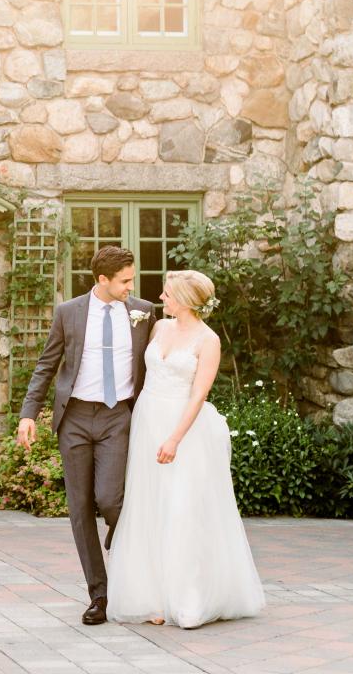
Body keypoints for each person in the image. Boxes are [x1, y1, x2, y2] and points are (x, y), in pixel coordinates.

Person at [106, 269, 265, 629]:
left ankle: (189, 597)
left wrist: (175, 438)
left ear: (187, 300)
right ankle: (152, 598)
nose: (161, 299)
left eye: (167, 294)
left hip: (184, 428)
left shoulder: (208, 340)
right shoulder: (159, 328)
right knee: (149, 506)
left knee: (183, 509)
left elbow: (199, 393)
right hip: (148, 419)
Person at [17, 246, 156, 626]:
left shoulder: (143, 312)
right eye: (125, 280)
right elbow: (46, 365)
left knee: (111, 499)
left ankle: (119, 534)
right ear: (102, 280)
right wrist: (28, 414)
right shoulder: (69, 313)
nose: (131, 286)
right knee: (79, 510)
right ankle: (100, 594)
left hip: (117, 417)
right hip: (75, 417)